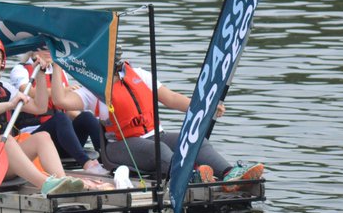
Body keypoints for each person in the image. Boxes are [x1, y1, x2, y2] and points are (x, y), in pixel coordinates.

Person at [89, 45, 264, 188]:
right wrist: (67, 73)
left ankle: (229, 174)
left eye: (117, 62)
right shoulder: (93, 88)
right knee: (159, 149)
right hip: (120, 146)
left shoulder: (139, 75)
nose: (117, 68)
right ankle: (194, 175)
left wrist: (206, 107)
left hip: (156, 136)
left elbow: (171, 98)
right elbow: (70, 101)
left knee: (195, 140)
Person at [0, 34, 93, 195]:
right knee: (6, 141)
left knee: (42, 137)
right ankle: (45, 184)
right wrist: (10, 105)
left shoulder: (4, 88)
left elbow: (39, 107)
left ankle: (62, 181)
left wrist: (40, 75)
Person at [8, 47, 110, 177]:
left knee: (87, 117)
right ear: (33, 49)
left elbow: (67, 111)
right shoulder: (20, 70)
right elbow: (28, 92)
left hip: (61, 136)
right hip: (33, 136)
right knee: (60, 118)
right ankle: (86, 163)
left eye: (51, 48)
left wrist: (95, 122)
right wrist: (64, 91)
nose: (48, 51)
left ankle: (106, 161)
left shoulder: (59, 70)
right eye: (43, 48)